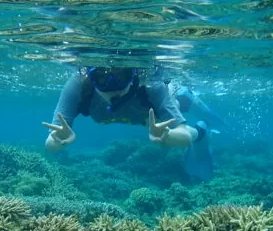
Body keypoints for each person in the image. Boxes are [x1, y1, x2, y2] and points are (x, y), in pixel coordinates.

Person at [42, 67, 223, 180]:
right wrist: (59, 139)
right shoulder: (78, 85)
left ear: (134, 74)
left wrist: (168, 135)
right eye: (102, 79)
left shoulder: (152, 85)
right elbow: (50, 143)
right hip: (145, 120)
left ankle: (202, 130)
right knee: (163, 141)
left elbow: (183, 135)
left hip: (163, 106)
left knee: (168, 140)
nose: (113, 87)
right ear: (90, 78)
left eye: (121, 76)